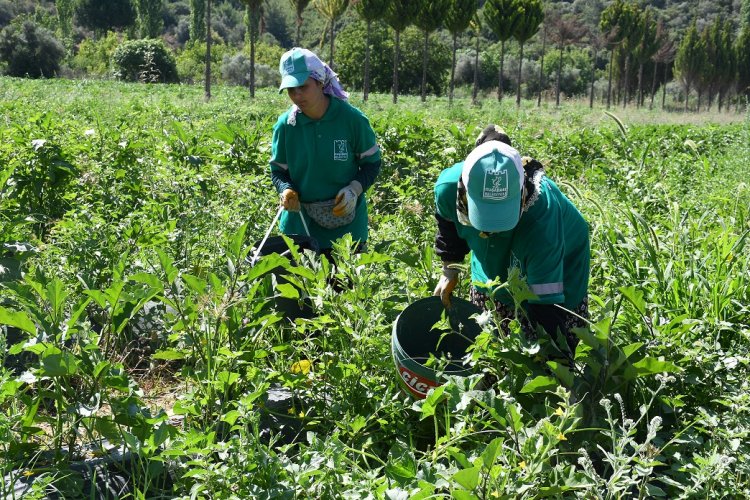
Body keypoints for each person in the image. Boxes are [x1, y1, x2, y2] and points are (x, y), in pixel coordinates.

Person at [432, 125, 590, 357]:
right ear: (465, 192)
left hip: (559, 266)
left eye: (500, 216)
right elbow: (446, 221)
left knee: (552, 346)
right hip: (494, 264)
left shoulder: (540, 220)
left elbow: (548, 309)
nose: (490, 231)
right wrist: (449, 268)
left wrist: (555, 375)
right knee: (490, 343)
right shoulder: (448, 188)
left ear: (521, 194)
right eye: (483, 217)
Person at [269, 47, 381, 263]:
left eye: (303, 87)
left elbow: (372, 163)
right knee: (299, 294)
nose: (297, 95)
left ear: (320, 82)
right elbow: (278, 171)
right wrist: (286, 189)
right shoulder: (286, 126)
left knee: (345, 292)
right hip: (299, 224)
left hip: (346, 227)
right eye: (291, 90)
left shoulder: (351, 120)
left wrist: (354, 189)